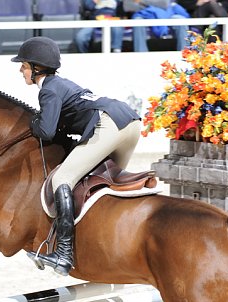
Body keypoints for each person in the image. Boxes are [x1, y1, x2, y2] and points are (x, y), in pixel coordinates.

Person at [11, 37, 141, 276]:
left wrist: (32, 122)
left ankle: (63, 253)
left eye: (25, 65)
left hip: (109, 124)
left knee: (62, 179)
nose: (21, 69)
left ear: (37, 68)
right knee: (102, 185)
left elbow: (46, 130)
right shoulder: (63, 84)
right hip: (130, 122)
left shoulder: (48, 89)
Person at [123, 0, 190, 52]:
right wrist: (152, 5)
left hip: (166, 13)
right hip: (144, 14)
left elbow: (164, 4)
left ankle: (185, 53)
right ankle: (141, 54)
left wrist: (141, 1)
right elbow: (127, 6)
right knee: (137, 21)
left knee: (180, 20)